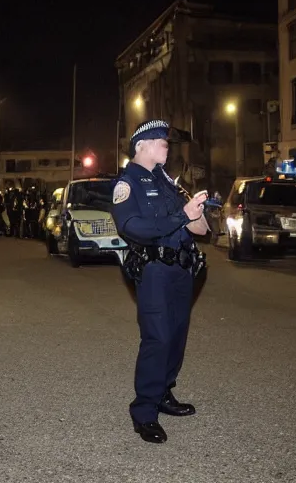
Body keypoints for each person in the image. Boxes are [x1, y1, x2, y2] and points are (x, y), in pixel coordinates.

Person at [110, 119, 209, 444]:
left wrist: (198, 212)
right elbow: (133, 226)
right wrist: (182, 215)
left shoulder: (168, 182)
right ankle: (144, 411)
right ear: (141, 145)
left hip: (182, 268)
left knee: (177, 335)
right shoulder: (128, 184)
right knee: (157, 338)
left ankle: (164, 392)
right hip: (154, 270)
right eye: (160, 141)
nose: (167, 145)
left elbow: (200, 230)